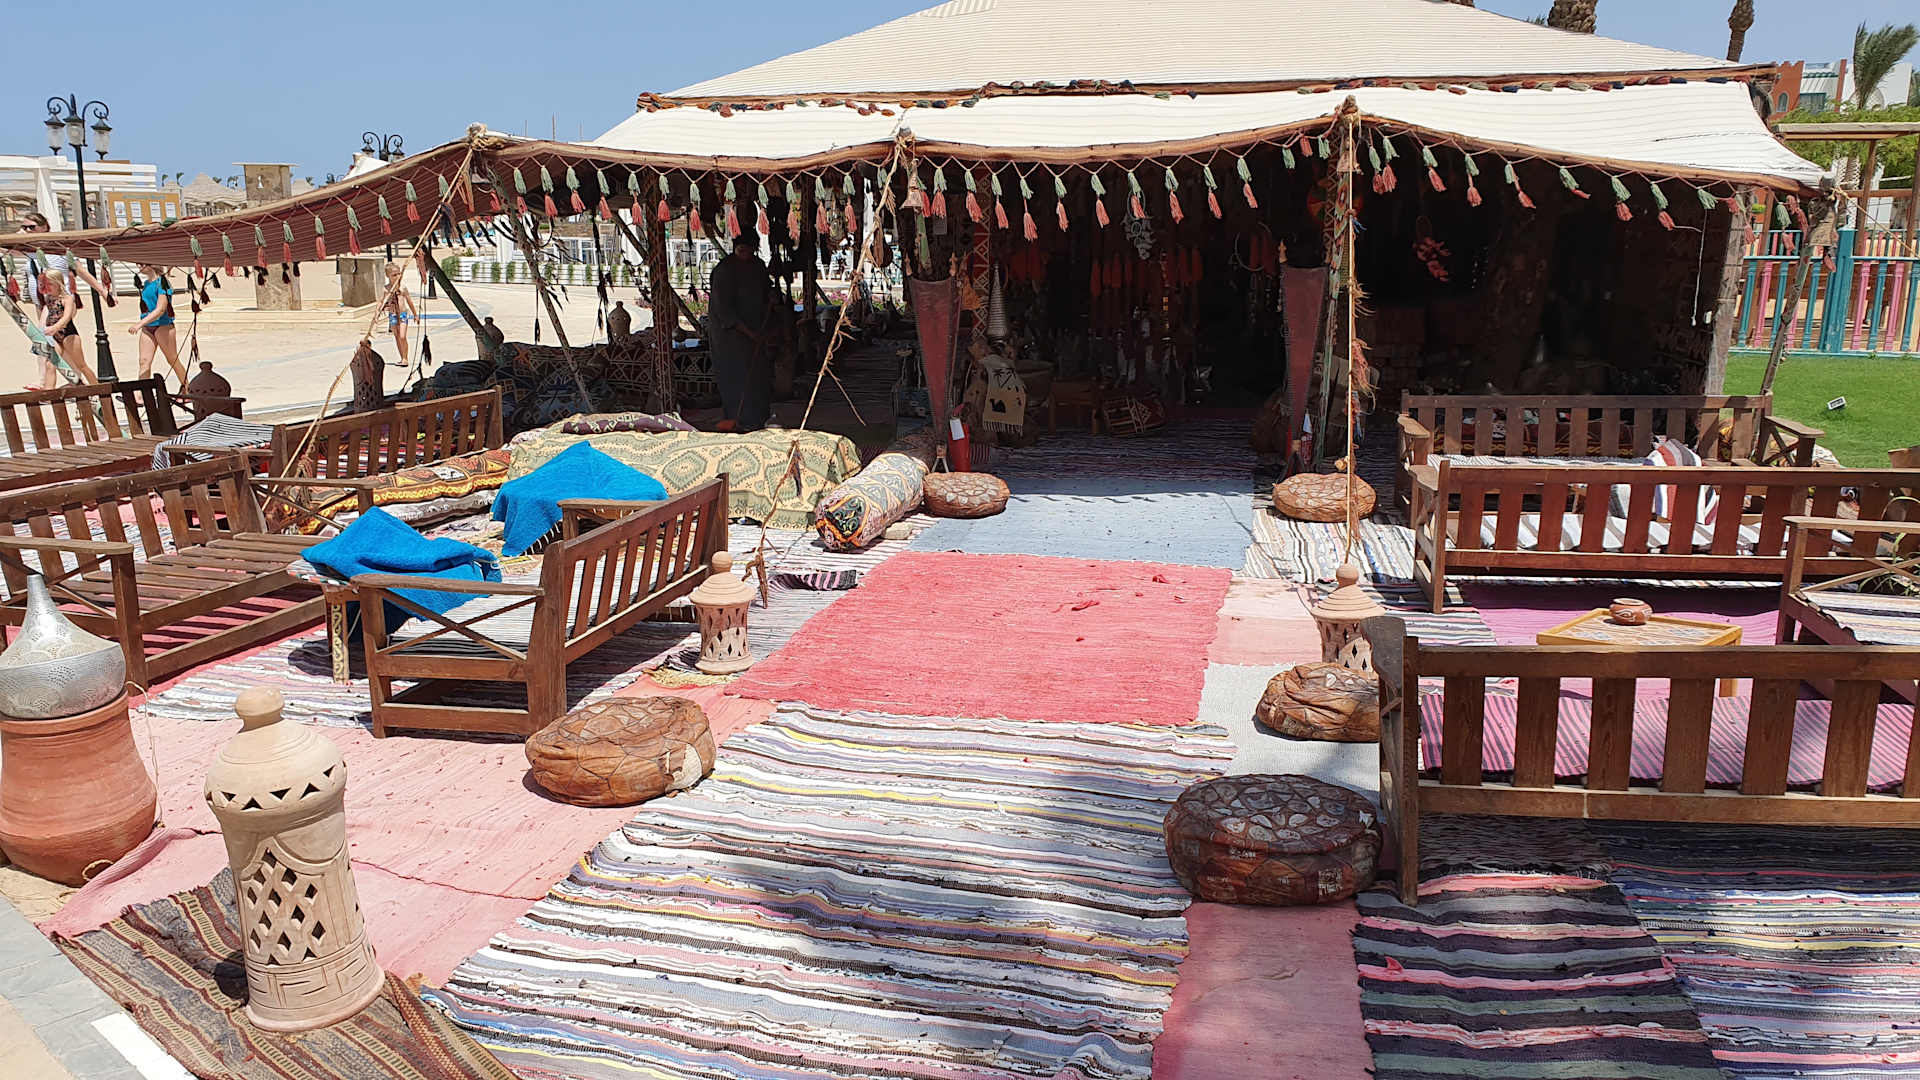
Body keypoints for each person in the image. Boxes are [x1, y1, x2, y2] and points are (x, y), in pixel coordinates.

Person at [706, 232, 775, 430]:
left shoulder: (758, 266)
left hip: (756, 330)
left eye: (749, 251)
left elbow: (767, 290)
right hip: (729, 336)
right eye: (741, 250)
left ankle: (759, 419)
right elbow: (723, 310)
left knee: (757, 378)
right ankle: (738, 420)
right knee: (735, 377)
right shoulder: (724, 271)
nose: (746, 255)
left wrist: (772, 297)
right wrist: (748, 332)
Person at [126, 264, 188, 385]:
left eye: (141, 263)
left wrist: (139, 324)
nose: (138, 266)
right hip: (148, 327)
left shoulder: (163, 283)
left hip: (163, 326)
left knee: (172, 360)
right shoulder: (146, 283)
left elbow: (161, 309)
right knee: (144, 361)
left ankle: (186, 387)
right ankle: (142, 392)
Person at [35, 269, 97, 387]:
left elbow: (67, 317)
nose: (48, 287)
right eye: (46, 284)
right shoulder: (48, 298)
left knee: (81, 365)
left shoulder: (67, 299)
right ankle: (49, 393)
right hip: (55, 336)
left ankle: (98, 388)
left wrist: (55, 327)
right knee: (50, 364)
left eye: (50, 284)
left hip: (68, 335)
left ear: (58, 283)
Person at [381, 262, 419, 365]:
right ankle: (403, 358)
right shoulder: (386, 289)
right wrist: (379, 312)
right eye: (394, 275)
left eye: (399, 274)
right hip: (393, 314)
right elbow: (381, 302)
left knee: (402, 336)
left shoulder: (402, 287)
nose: (397, 276)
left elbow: (409, 301)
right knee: (397, 336)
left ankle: (405, 357)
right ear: (388, 276)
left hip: (403, 314)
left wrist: (415, 314)